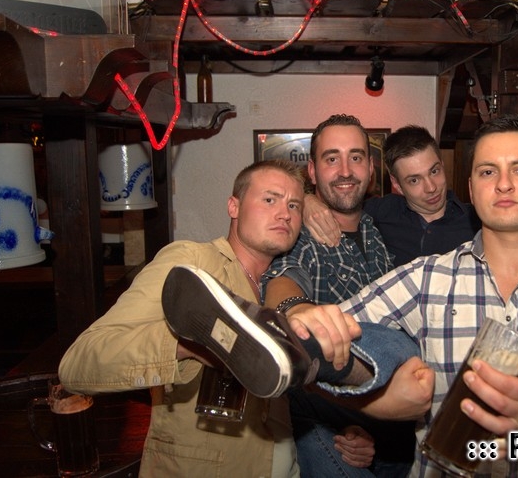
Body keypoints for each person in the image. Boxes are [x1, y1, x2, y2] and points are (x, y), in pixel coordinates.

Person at [291, 114, 518, 476]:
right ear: (472, 189)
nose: (504, 184)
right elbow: (315, 340)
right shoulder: (426, 279)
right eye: (488, 171)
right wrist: (370, 397)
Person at [57, 160, 352, 477]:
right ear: (234, 206)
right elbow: (78, 363)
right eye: (270, 199)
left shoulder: (285, 289)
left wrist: (346, 429)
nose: (285, 214)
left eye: (294, 205)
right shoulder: (193, 263)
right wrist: (190, 344)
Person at [261, 114, 416, 477]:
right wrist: (296, 310)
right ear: (312, 172)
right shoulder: (299, 234)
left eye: (356, 157)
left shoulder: (376, 227)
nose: (345, 170)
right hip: (327, 418)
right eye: (332, 158)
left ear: (371, 169)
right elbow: (282, 278)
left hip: (392, 423)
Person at [305, 125, 518, 267]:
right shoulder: (378, 214)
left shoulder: (478, 218)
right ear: (396, 184)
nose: (431, 187)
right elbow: (340, 202)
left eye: (434, 171)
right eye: (414, 180)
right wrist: (308, 200)